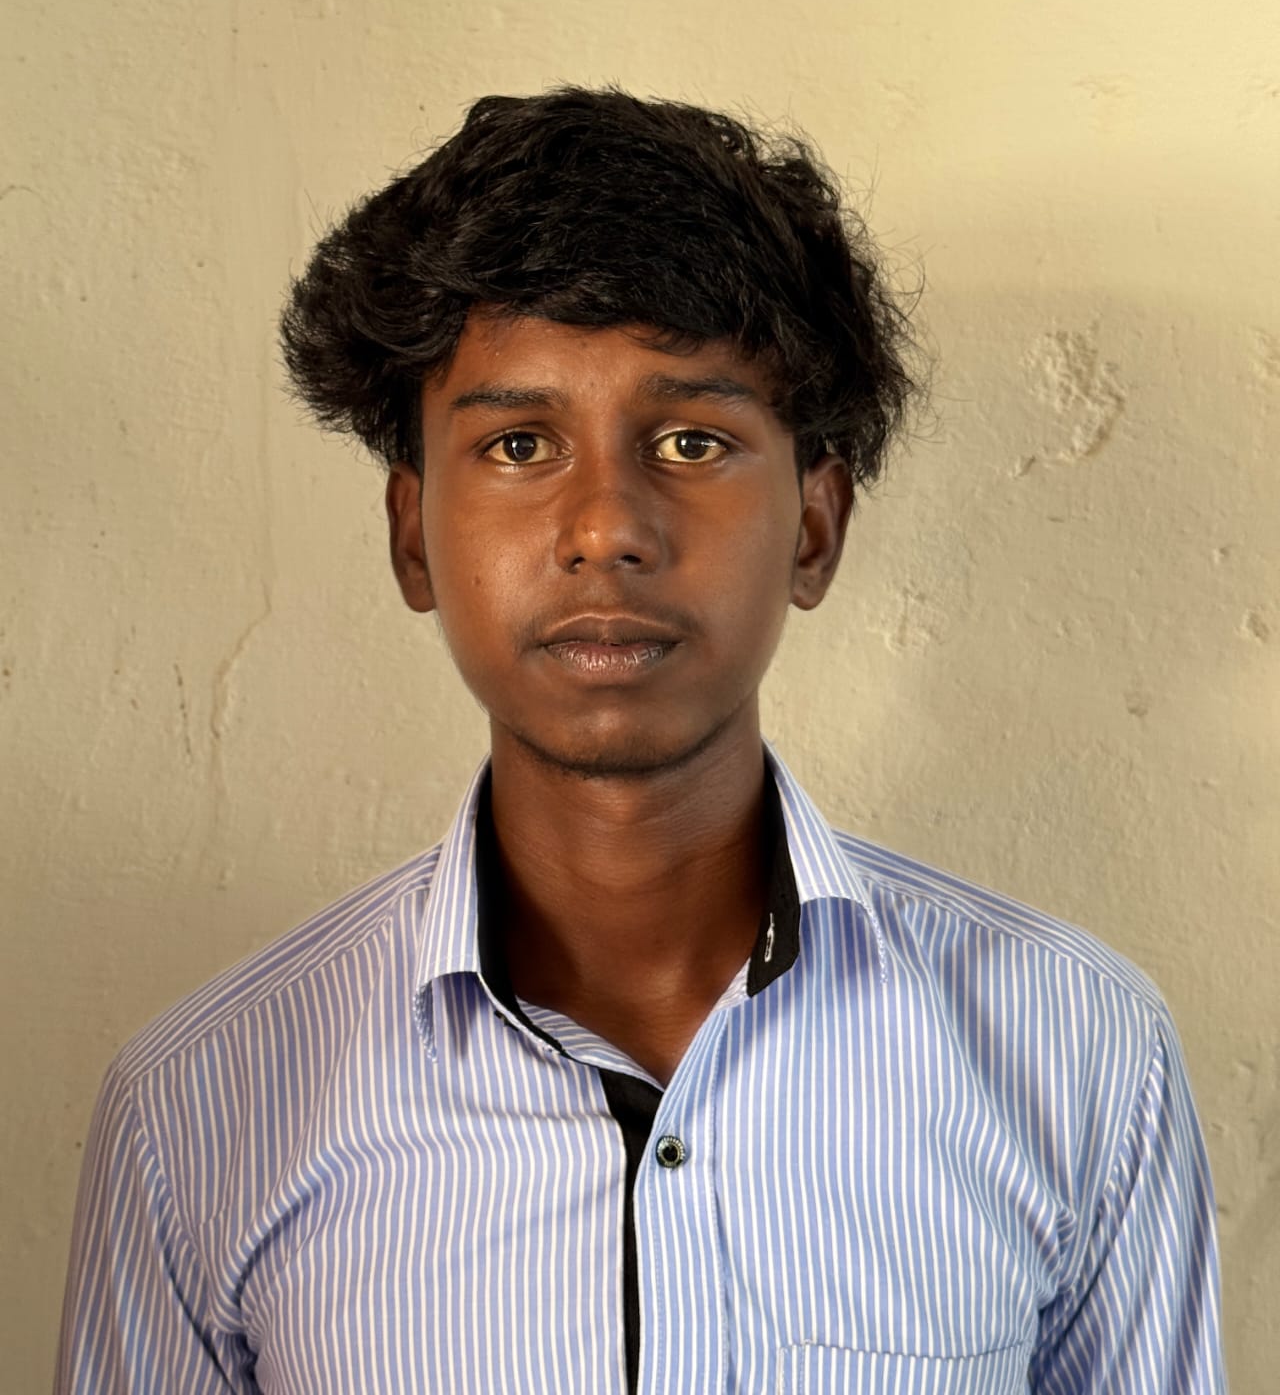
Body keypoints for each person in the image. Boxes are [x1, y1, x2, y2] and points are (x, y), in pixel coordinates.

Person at [56, 87, 1225, 1392]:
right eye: (519, 443)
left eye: (690, 440)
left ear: (815, 528)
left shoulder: (1076, 1054)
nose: (606, 526)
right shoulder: (202, 1112)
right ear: (412, 535)